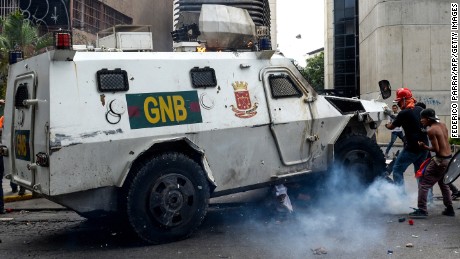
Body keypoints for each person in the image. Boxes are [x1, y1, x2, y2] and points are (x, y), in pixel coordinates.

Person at [409, 108, 454, 218]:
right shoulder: (442, 125)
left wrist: (424, 146)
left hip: (440, 160)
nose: (421, 121)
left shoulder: (431, 130)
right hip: (449, 160)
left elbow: (436, 149)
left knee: (424, 184)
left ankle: (422, 210)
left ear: (428, 119)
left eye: (423, 119)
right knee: (444, 184)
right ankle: (449, 209)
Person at [385, 88, 428, 189]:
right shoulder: (420, 110)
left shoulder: (403, 113)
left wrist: (386, 125)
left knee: (397, 169)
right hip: (424, 147)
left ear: (404, 100)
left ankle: (401, 197)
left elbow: (392, 126)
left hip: (412, 148)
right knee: (419, 172)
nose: (399, 105)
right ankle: (426, 198)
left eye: (399, 102)